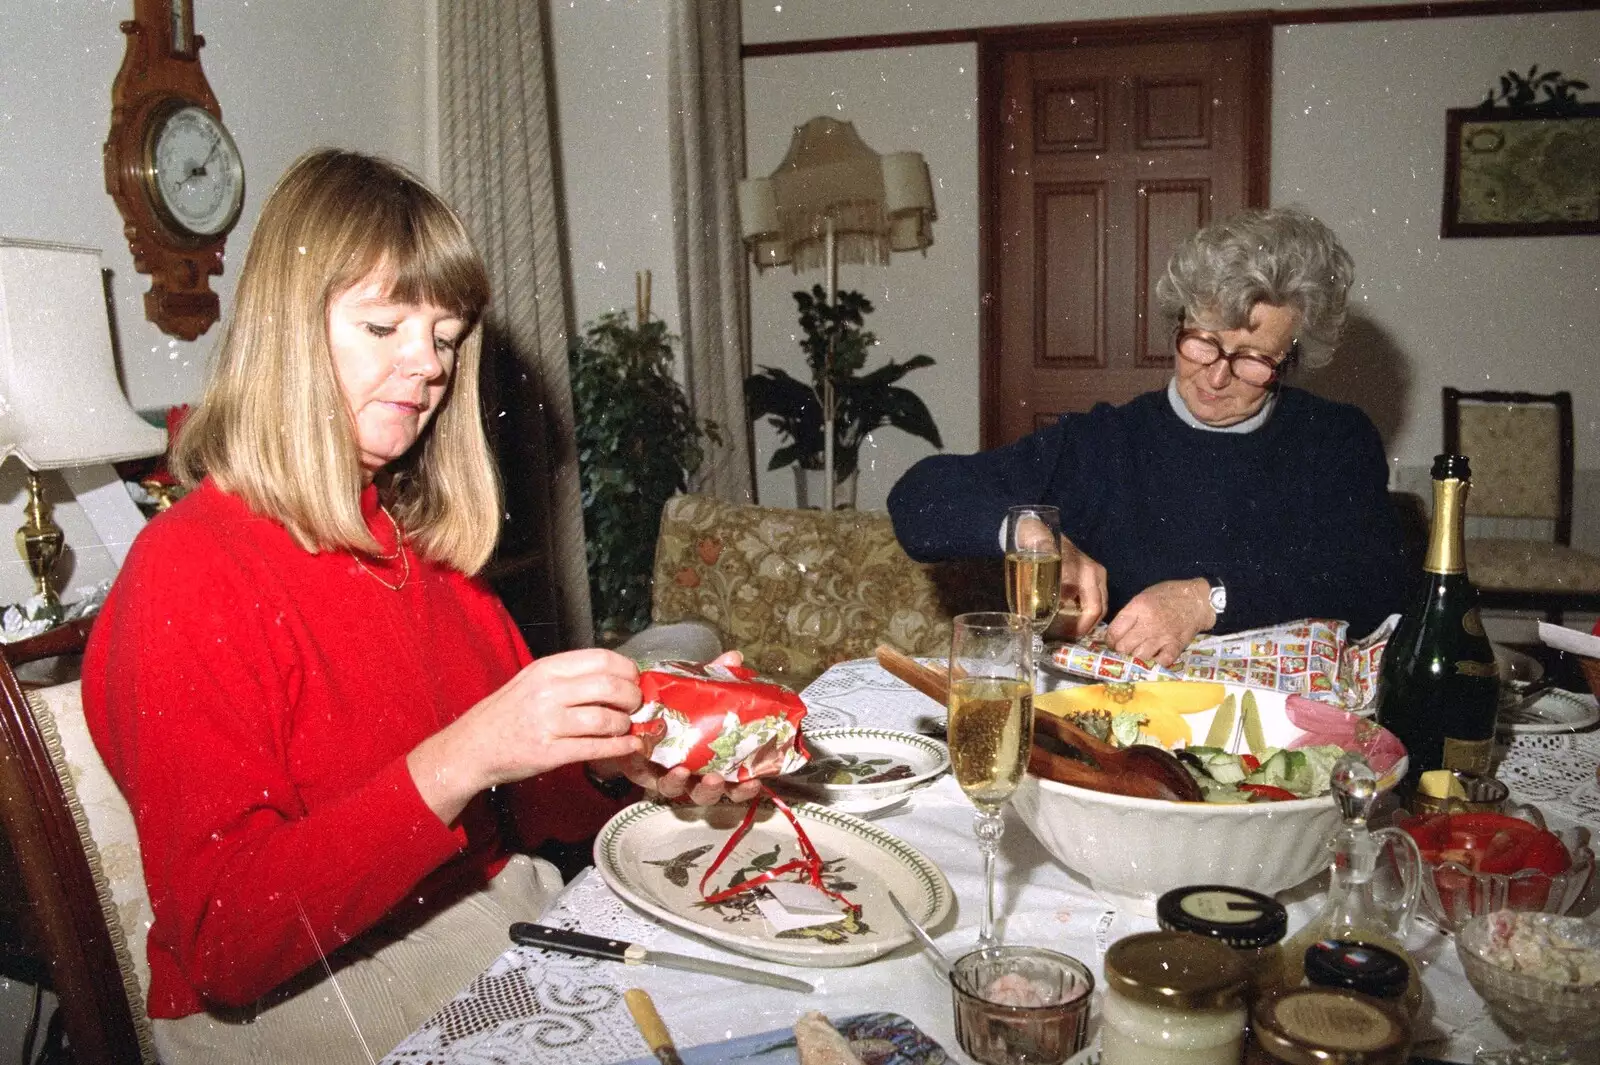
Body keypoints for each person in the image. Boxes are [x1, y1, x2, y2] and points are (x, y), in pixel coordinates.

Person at [82, 148, 758, 1063]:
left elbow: (522, 804)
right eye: (383, 325)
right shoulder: (187, 572)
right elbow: (224, 946)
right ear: (287, 329)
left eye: (443, 337)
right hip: (301, 1001)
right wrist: (462, 755)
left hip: (477, 916)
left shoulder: (415, 547)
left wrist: (631, 753)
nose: (428, 366)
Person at [888, 206, 1406, 666]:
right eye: (1201, 343)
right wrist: (1029, 533)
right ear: (1176, 323)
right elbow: (920, 498)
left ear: (1293, 359)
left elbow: (1376, 583)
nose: (1217, 377)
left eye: (1253, 359)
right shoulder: (1103, 443)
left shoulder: (1336, 440)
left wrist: (1207, 600)